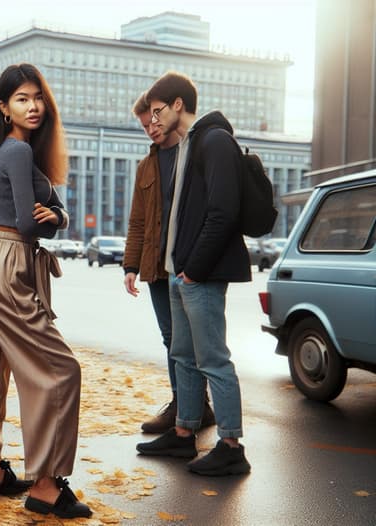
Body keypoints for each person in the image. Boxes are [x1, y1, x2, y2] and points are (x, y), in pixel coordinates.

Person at [0, 63, 91, 519]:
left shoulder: (15, 152)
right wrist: (55, 214)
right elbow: (29, 222)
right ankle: (46, 485)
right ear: (3, 107)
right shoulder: (17, 153)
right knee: (61, 370)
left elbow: (55, 216)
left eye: (38, 97)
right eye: (21, 98)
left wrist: (55, 215)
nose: (33, 106)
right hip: (11, 261)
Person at [136, 72, 252, 476]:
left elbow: (223, 213)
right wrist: (174, 268)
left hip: (198, 274)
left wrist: (193, 270)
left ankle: (232, 445)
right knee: (182, 356)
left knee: (213, 359)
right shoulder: (186, 145)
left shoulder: (215, 141)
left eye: (156, 111)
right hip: (177, 272)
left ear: (177, 106)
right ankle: (184, 435)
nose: (153, 120)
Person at [123, 93, 215, 434]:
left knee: (193, 340)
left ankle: (197, 406)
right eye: (144, 126)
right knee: (170, 338)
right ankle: (183, 403)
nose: (151, 129)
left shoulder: (191, 154)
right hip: (155, 267)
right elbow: (137, 221)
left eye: (153, 121)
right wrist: (130, 266)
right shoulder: (146, 165)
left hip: (187, 264)